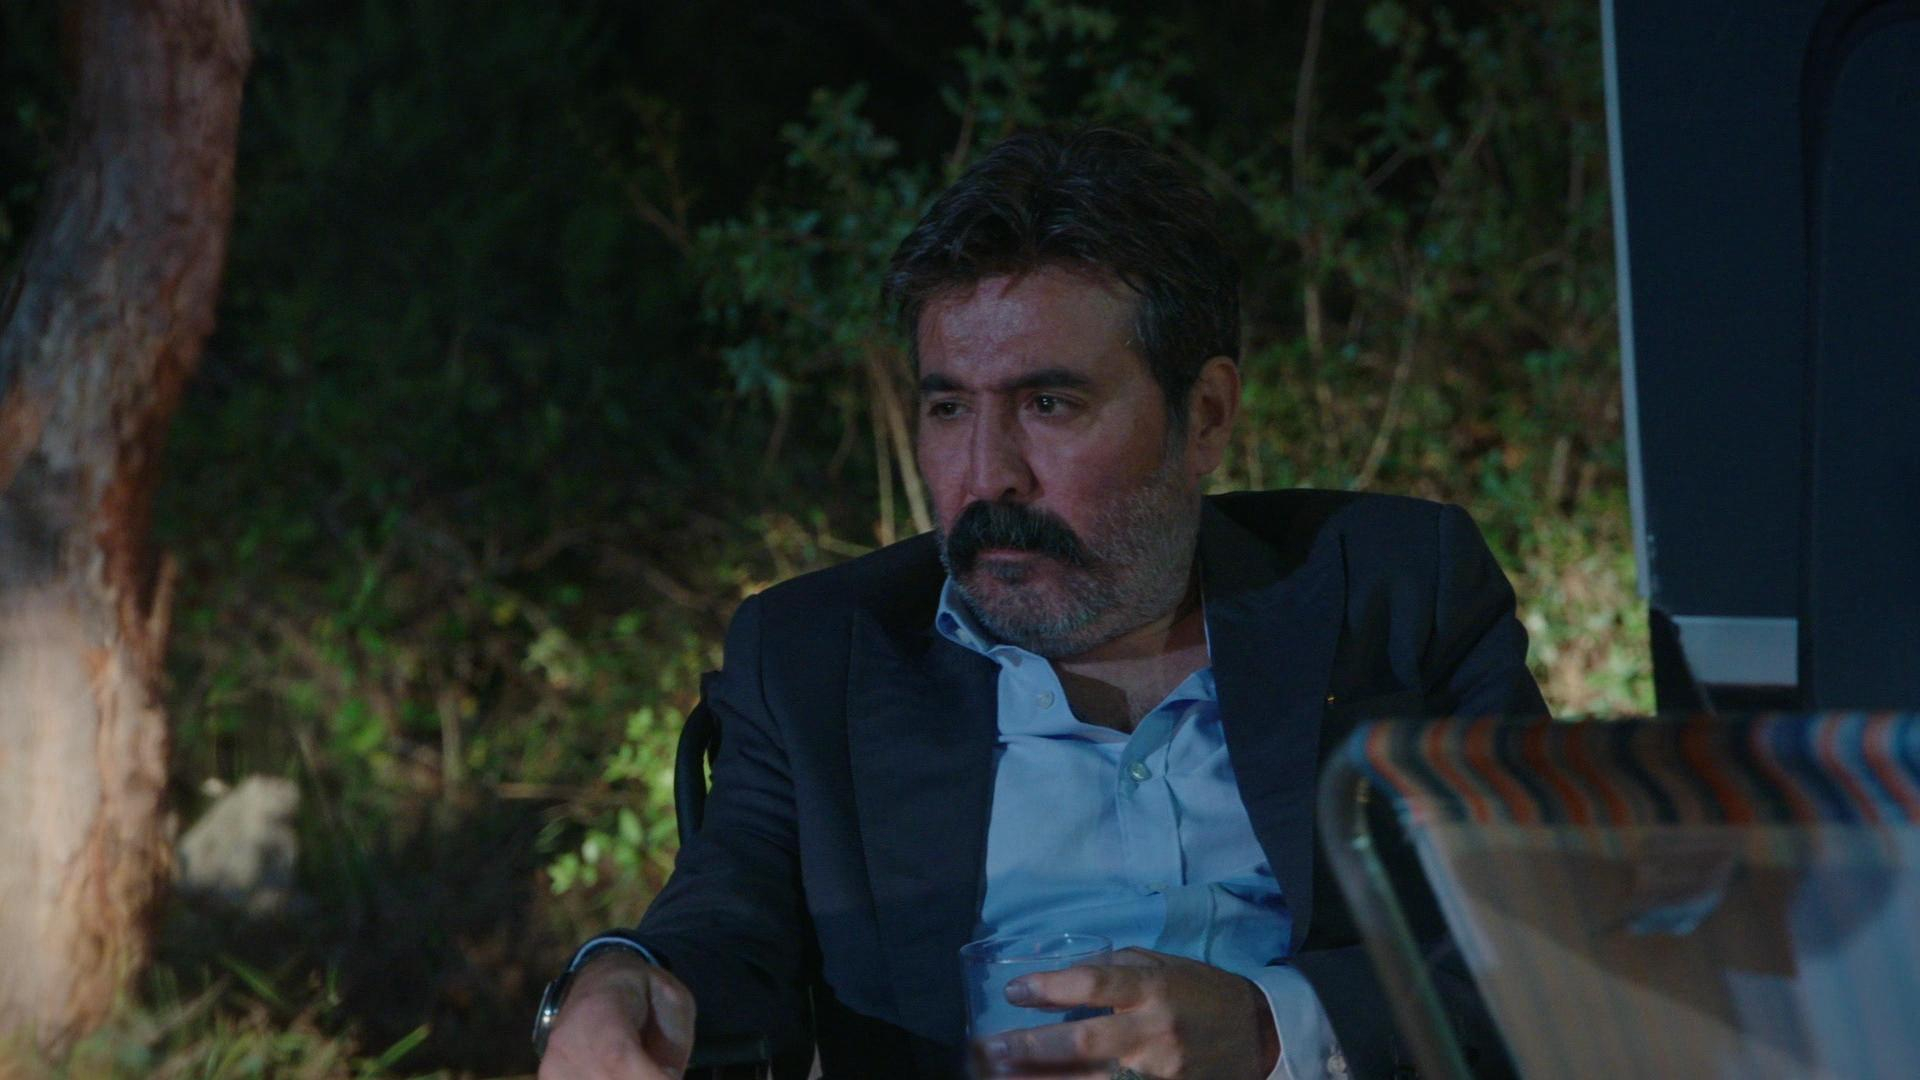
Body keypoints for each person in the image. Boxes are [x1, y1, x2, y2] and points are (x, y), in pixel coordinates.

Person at [535, 127, 1546, 1079]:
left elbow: (1551, 939)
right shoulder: (816, 657)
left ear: (1205, 417)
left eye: (1048, 404)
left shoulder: (1395, 590)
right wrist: (623, 978)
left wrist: (1271, 1029)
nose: (988, 475)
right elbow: (723, 924)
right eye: (948, 408)